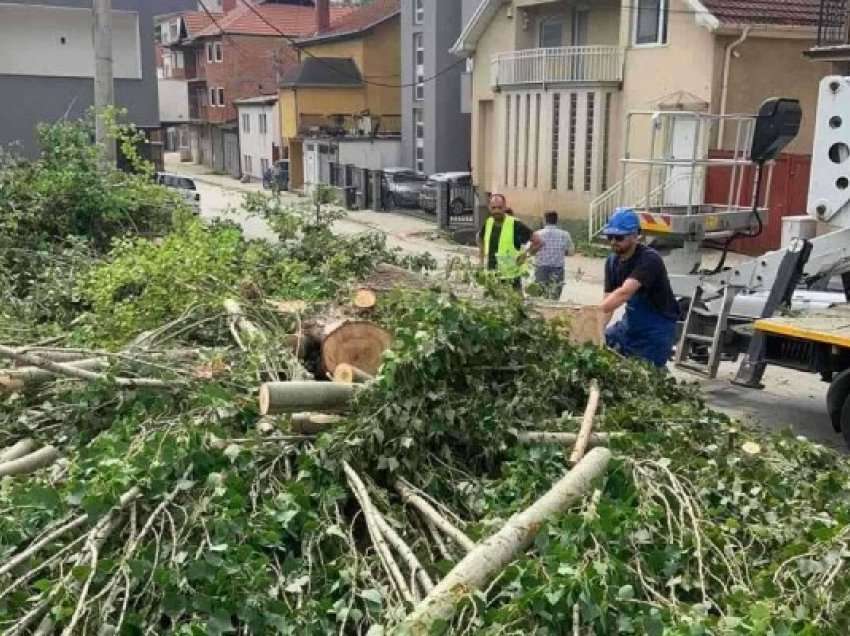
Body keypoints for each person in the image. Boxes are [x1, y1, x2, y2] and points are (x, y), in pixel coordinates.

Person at [599, 208, 680, 369]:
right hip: (630, 324)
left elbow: (624, 293)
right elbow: (608, 303)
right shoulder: (611, 262)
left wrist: (587, 313)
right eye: (610, 236)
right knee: (605, 343)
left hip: (657, 329)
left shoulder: (649, 259)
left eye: (619, 237)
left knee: (646, 375)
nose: (613, 241)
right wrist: (596, 329)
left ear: (636, 235)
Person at [478, 194, 541, 289]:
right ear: (489, 208)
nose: (496, 211)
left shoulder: (515, 224)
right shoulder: (488, 222)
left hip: (511, 279)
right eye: (493, 208)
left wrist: (526, 255)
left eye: (499, 207)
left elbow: (538, 241)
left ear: (505, 207)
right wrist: (481, 260)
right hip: (491, 276)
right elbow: (479, 238)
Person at [533, 211, 575, 300]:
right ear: (556, 220)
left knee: (539, 297)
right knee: (554, 297)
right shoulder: (564, 234)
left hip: (541, 268)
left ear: (545, 220)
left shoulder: (537, 234)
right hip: (557, 269)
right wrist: (562, 252)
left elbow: (529, 250)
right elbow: (571, 252)